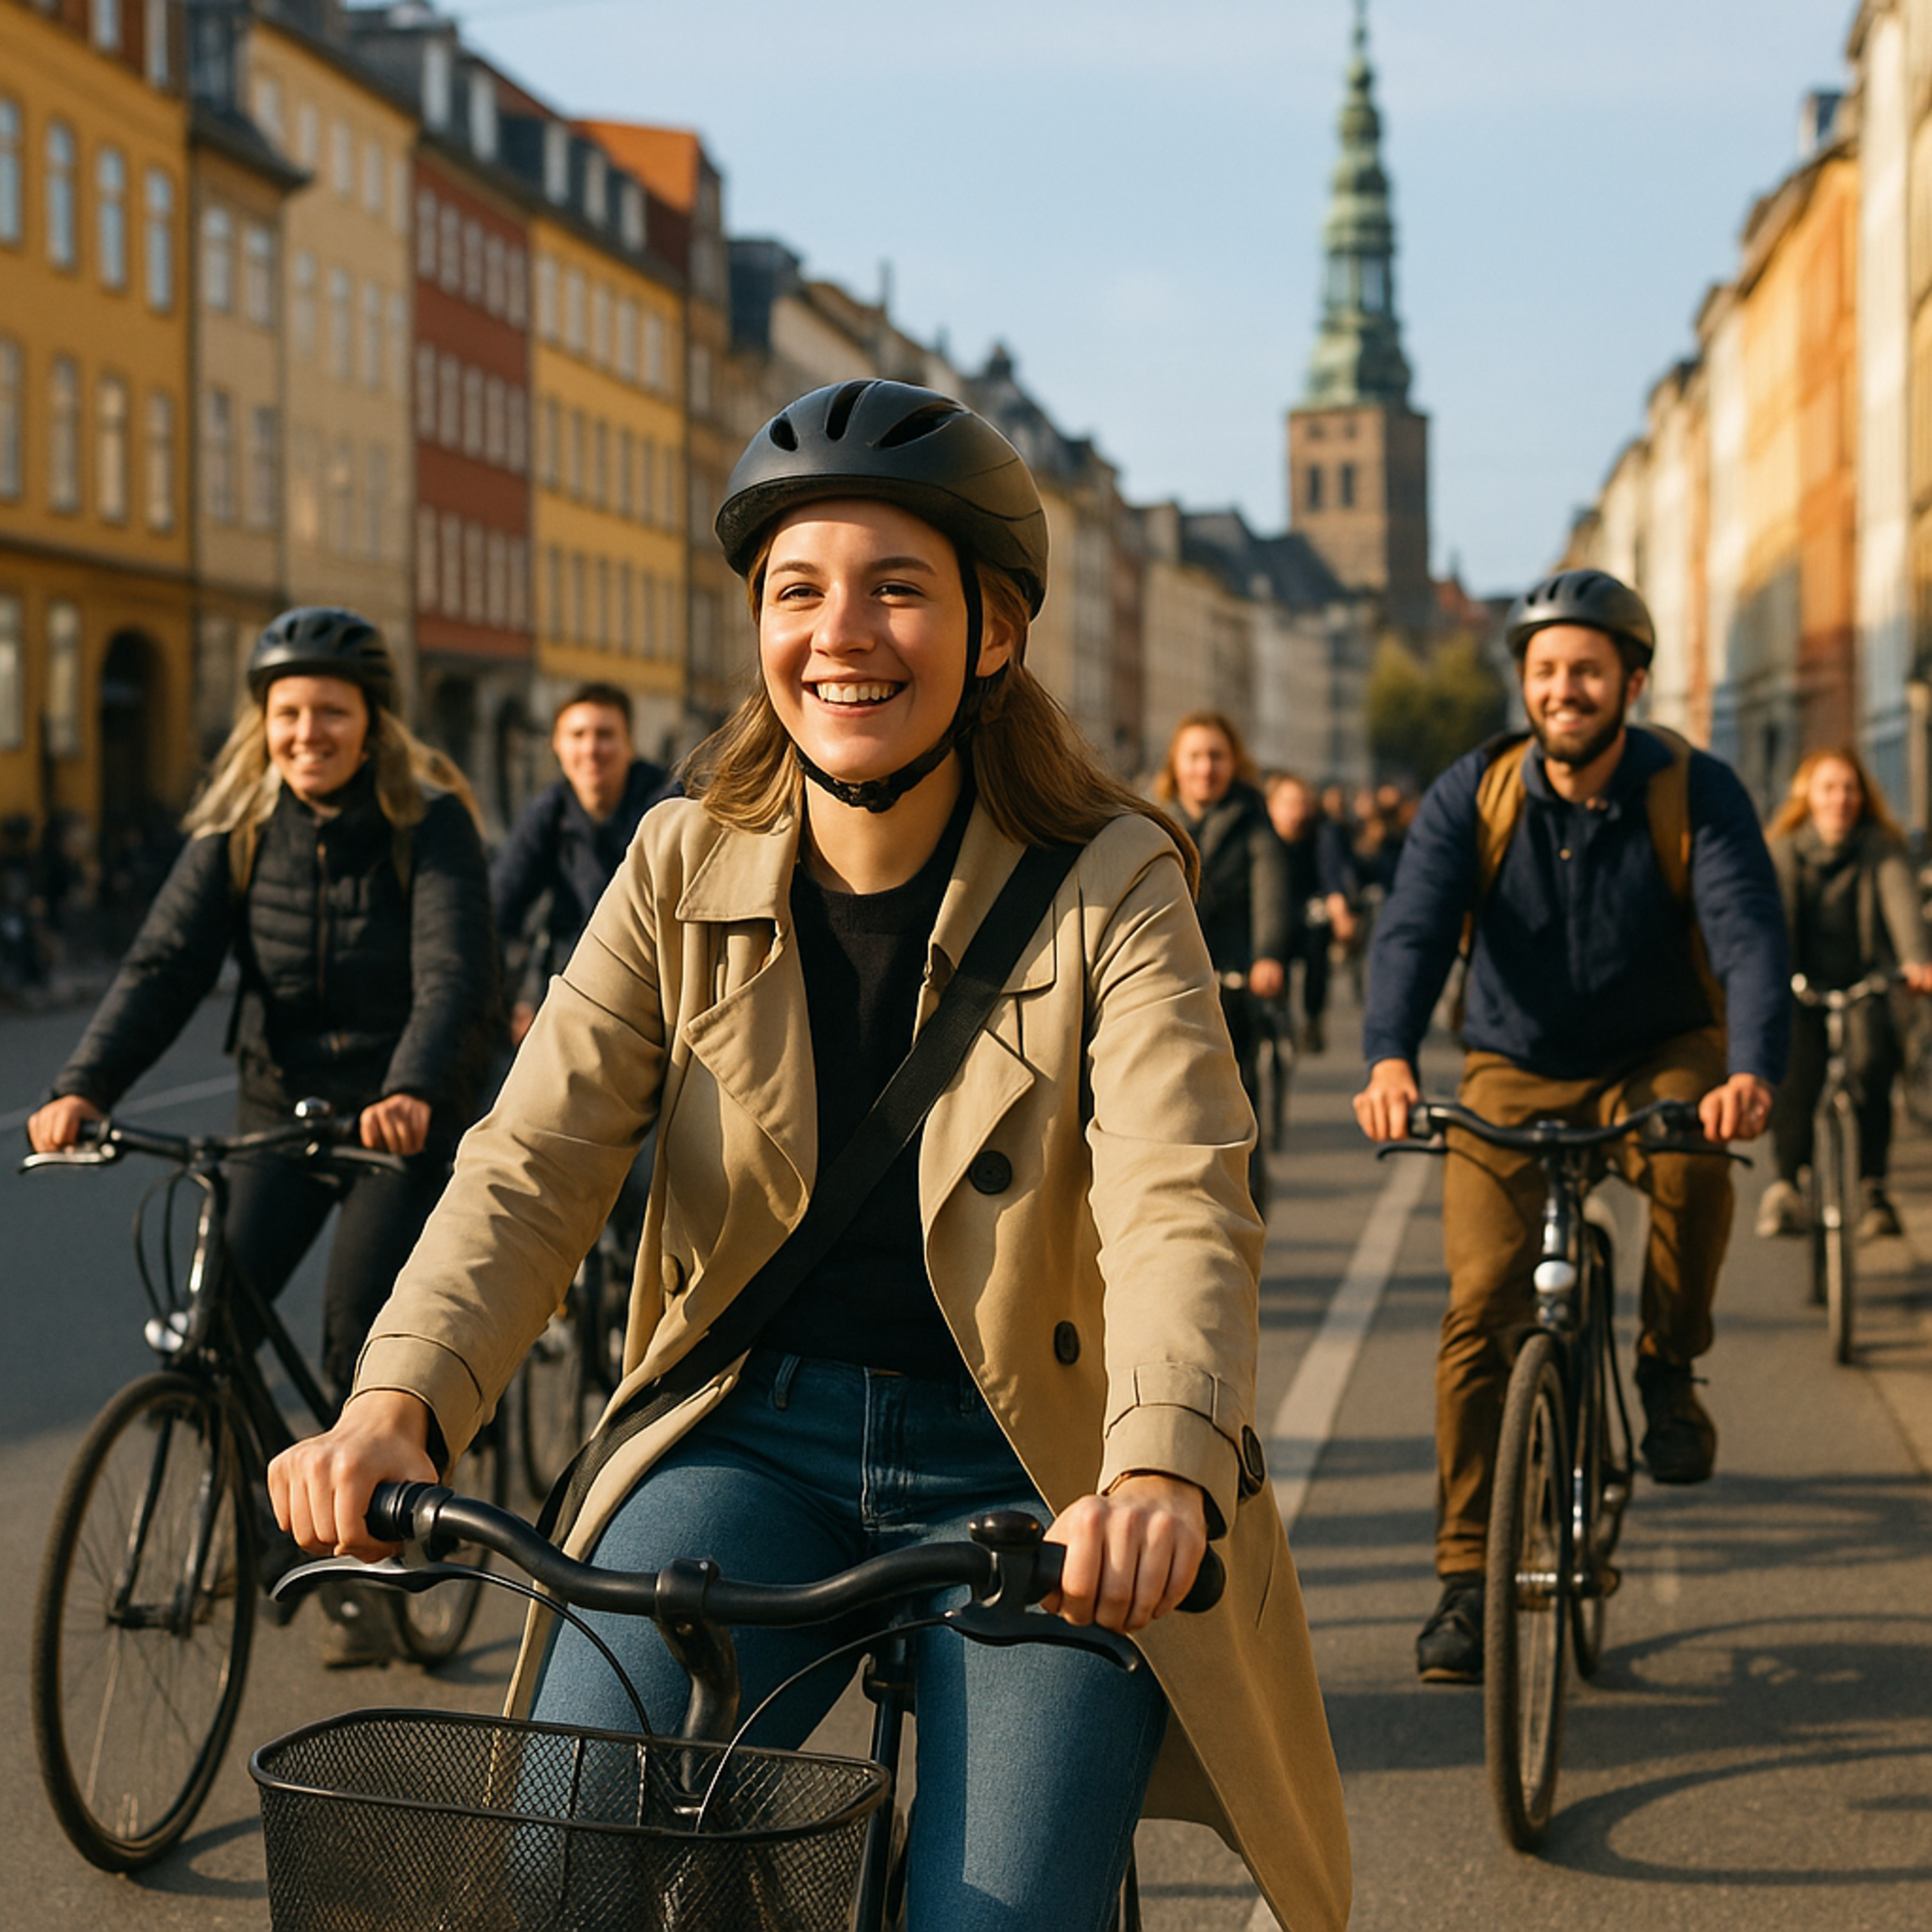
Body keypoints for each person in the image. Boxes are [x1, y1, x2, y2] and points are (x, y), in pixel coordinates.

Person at [268, 382, 1350, 1932]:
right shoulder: (678, 856)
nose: (839, 632)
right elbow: (534, 1155)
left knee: (998, 1917)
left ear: (991, 631)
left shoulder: (1112, 881)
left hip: (1029, 1466)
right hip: (744, 1431)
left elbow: (1179, 1190)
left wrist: (1158, 1464)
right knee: (559, 1849)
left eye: (895, 587)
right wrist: (396, 1403)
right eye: (797, 590)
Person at [28, 608, 498, 1665]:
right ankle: (268, 1516)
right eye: (287, 714)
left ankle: (382, 1553)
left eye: (330, 713)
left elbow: (452, 975)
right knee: (214, 1323)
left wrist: (416, 1087)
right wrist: (83, 1085)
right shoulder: (239, 830)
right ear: (264, 724)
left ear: (372, 724)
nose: (306, 734)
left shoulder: (430, 823)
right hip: (281, 1106)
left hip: (395, 1116)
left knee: (355, 1340)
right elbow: (162, 968)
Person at [1353, 568, 1789, 1685]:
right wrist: (1391, 1056)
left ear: (1630, 682)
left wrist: (1748, 1069)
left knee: (1696, 1164)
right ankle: (1464, 1577)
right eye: (1546, 671)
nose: (1565, 688)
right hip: (1514, 1062)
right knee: (1481, 1301)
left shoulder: (1694, 789)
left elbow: (1745, 929)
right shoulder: (1476, 791)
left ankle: (1665, 1370)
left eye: (1588, 669)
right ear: (1526, 685)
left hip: (1662, 1050)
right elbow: (1413, 925)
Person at [1756, 748, 1932, 1242]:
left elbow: (1900, 902)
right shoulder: (1786, 850)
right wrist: (1767, 977)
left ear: (1863, 797)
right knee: (1794, 1069)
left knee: (1875, 1059)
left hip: (1863, 983)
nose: (1841, 799)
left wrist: (1916, 961)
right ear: (1807, 798)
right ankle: (1788, 1185)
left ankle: (1873, 1186)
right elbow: (1774, 922)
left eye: (1850, 788)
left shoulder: (1881, 847)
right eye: (1829, 788)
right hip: (1800, 984)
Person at [1153, 712, 1289, 1206]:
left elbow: (1271, 892)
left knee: (1234, 1099)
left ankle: (1243, 1198)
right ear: (1176, 764)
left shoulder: (1254, 821)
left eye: (1216, 756)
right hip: (1166, 984)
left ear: (1234, 763)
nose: (1205, 768)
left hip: (1233, 980)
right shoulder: (1153, 820)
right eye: (1195, 757)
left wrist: (1268, 957)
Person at [491, 681, 674, 1048]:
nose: (591, 749)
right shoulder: (549, 815)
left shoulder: (669, 807)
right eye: (577, 735)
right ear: (556, 746)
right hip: (572, 991)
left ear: (630, 744)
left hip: (659, 994)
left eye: (605, 735)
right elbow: (497, 912)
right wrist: (512, 1003)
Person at [1264, 770, 1359, 1053]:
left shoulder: (1322, 832)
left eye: (1302, 803)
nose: (1296, 811)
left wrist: (1340, 913)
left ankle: (1313, 1016)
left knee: (1318, 934)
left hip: (1310, 907)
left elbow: (1332, 874)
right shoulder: (1261, 835)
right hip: (1273, 911)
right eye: (1288, 803)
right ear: (1271, 805)